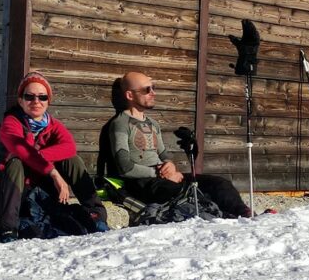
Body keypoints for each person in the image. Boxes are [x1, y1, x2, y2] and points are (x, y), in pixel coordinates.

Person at [106, 71, 252, 218]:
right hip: (143, 182)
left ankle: (245, 214)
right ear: (130, 95)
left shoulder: (153, 124)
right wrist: (160, 174)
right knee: (187, 193)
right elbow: (125, 167)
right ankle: (224, 218)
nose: (153, 93)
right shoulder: (120, 124)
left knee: (218, 183)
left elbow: (163, 154)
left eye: (153, 87)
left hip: (164, 178)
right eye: (146, 90)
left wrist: (171, 166)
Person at [0, 72, 108, 242]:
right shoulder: (10, 123)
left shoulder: (53, 125)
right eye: (29, 96)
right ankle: (8, 230)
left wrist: (36, 157)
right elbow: (20, 149)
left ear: (48, 101)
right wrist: (52, 172)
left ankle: (95, 214)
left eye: (42, 97)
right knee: (16, 162)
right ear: (21, 100)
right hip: (8, 196)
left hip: (41, 192)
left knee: (72, 159)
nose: (36, 101)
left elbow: (69, 147)